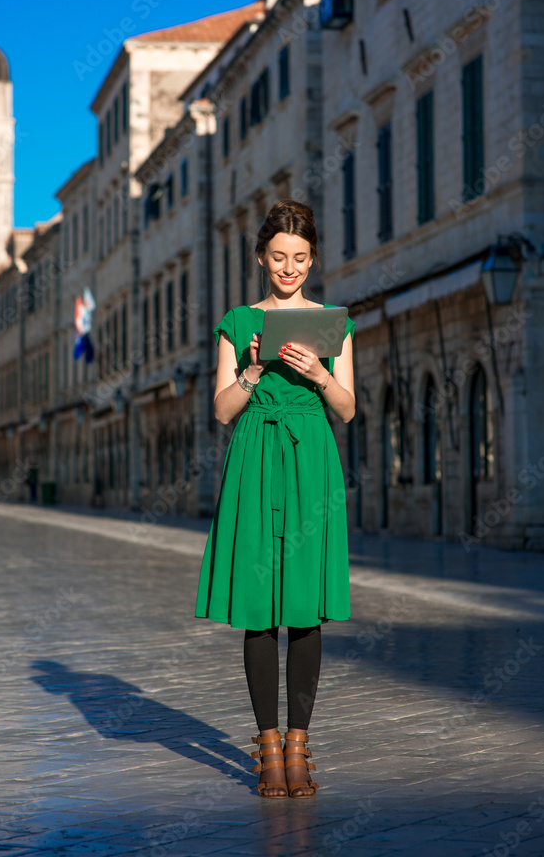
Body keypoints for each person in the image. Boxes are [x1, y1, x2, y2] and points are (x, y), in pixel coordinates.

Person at [195, 200, 356, 798]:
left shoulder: (333, 323)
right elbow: (220, 411)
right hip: (256, 461)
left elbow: (347, 408)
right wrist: (254, 369)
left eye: (301, 257)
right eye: (279, 256)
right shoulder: (238, 322)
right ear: (262, 257)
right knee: (259, 607)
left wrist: (318, 373)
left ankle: (298, 746)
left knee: (306, 609)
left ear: (313, 259)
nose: (289, 267)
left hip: (312, 460)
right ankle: (266, 748)